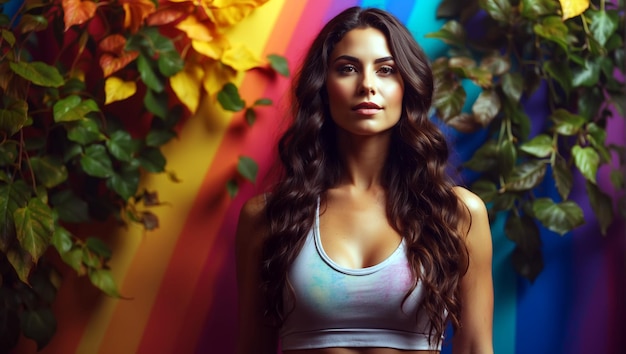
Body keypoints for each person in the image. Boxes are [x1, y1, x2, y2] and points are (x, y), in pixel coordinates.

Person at [235, 6, 493, 354]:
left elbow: (477, 346)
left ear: (407, 86)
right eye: (347, 69)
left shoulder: (457, 213)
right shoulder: (269, 217)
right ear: (322, 87)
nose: (368, 85)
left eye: (386, 70)